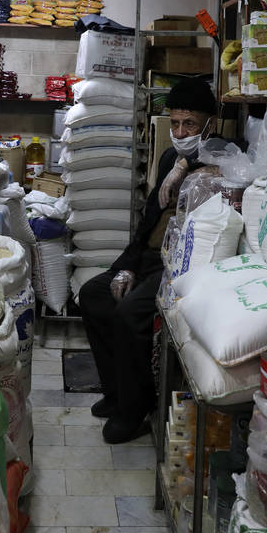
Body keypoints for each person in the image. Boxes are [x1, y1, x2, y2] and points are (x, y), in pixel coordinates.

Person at [78, 77, 219, 444]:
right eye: (174, 123)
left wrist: (189, 164)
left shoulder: (221, 156)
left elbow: (237, 149)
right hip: (152, 257)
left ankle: (135, 409)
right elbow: (148, 221)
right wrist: (127, 265)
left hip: (183, 265)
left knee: (131, 315)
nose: (180, 131)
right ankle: (116, 394)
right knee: (93, 295)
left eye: (189, 123)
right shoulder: (170, 157)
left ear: (210, 124)